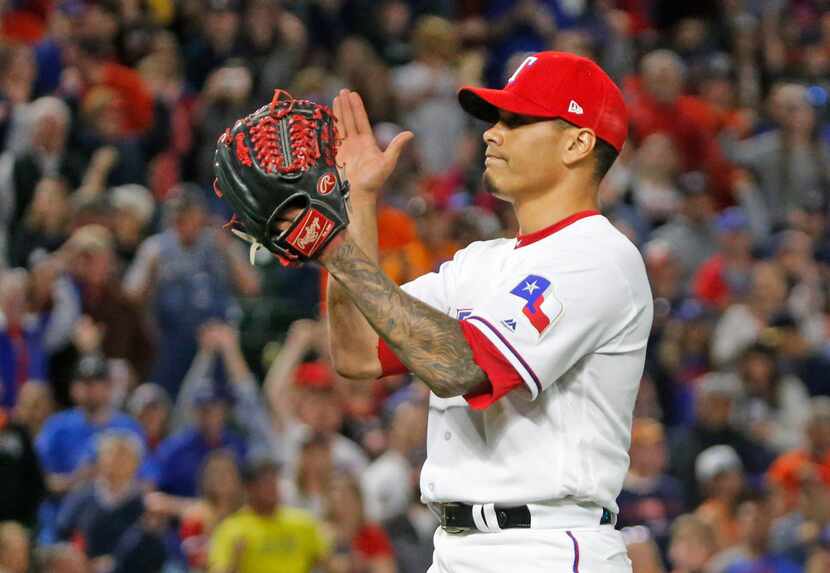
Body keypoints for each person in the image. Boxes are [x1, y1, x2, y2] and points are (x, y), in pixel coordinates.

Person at [320, 51, 652, 572]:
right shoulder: (480, 263)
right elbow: (357, 350)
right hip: (457, 548)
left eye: (516, 120)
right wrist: (354, 203)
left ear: (578, 141)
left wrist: (334, 251)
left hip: (546, 546)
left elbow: (459, 367)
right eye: (496, 120)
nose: (491, 134)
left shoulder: (599, 256)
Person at [207, 457, 330, 573]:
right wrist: (234, 563)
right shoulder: (231, 529)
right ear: (250, 488)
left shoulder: (303, 522)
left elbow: (328, 563)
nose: (273, 487)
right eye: (266, 482)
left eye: (275, 480)